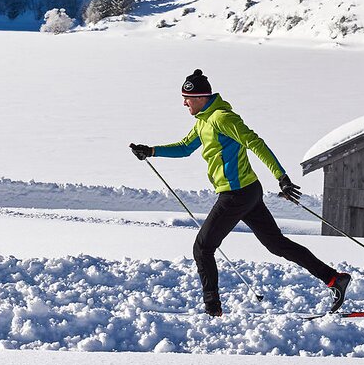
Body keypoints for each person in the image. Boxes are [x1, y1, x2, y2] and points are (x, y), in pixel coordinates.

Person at [130, 69, 348, 316]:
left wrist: (282, 177)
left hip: (236, 195)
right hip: (247, 192)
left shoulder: (222, 118)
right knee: (277, 245)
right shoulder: (203, 120)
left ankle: (212, 310)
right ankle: (334, 279)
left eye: (187, 98)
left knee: (202, 248)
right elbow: (185, 148)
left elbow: (255, 142)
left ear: (200, 97)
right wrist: (151, 151)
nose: (184, 103)